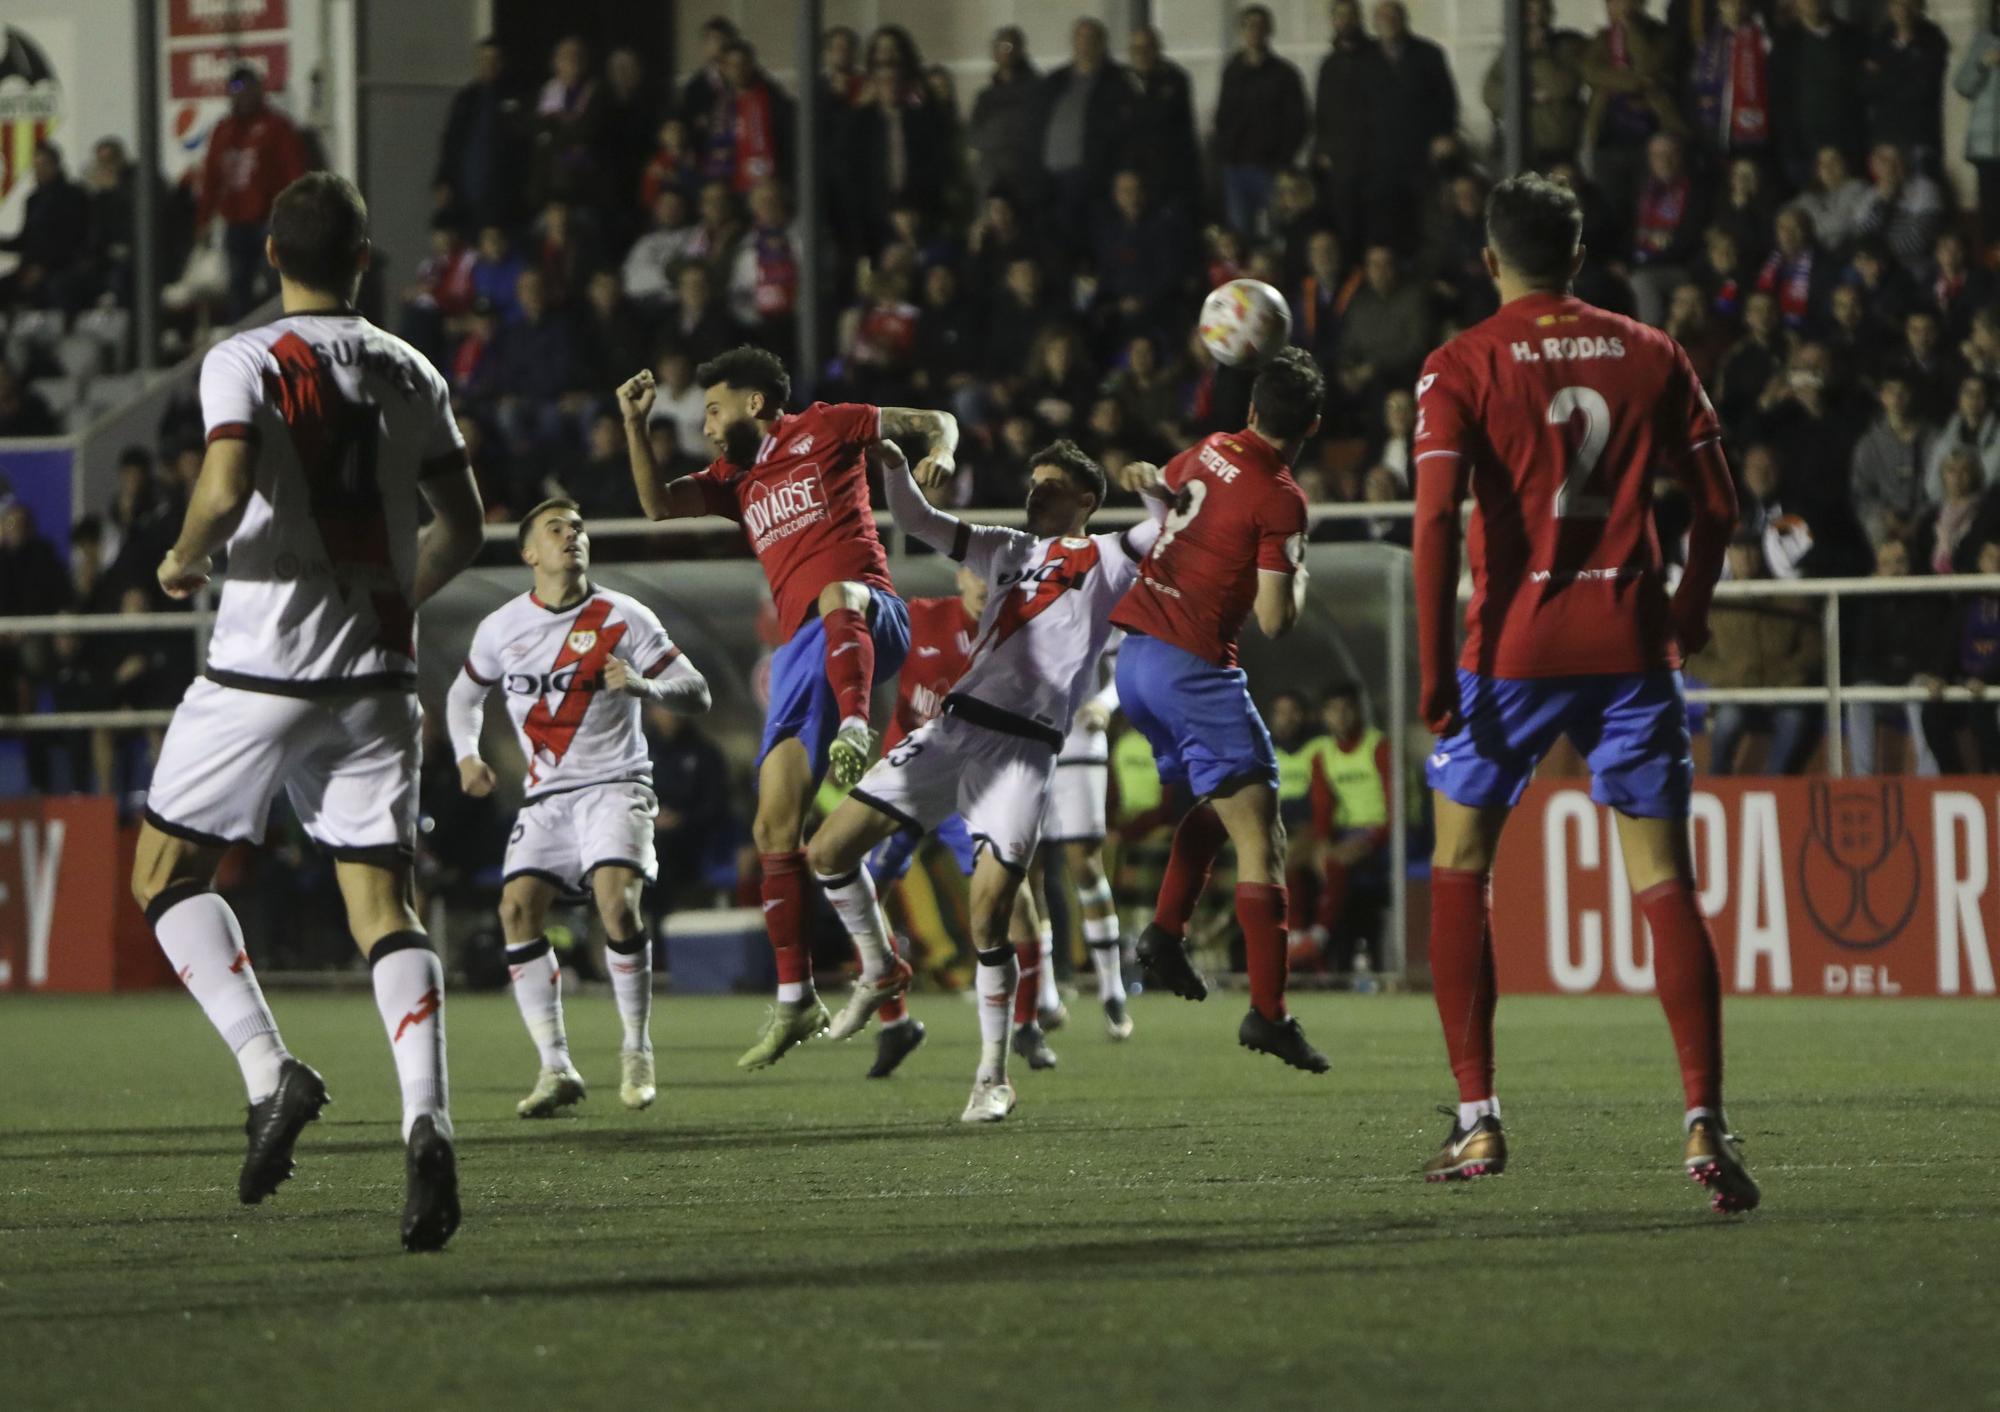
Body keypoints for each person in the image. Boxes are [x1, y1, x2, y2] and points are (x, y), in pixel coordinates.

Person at [129, 173, 484, 1251]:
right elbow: (462, 527)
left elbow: (228, 483)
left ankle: (271, 1069)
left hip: (260, 668)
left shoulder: (242, 357)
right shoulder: (412, 367)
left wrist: (184, 557)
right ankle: (427, 1121)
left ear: (271, 253)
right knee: (385, 906)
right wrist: (386, 603)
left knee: (162, 874)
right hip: (376, 675)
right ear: (364, 259)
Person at [1410, 173, 1755, 1211]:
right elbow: (1717, 505)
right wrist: (1685, 613)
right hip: (1628, 649)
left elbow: (1430, 525)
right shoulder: (1650, 351)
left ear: (1489, 258)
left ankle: (1476, 1119)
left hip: (1508, 652)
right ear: (1576, 253)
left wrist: (1433, 668)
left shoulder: (1458, 361)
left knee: (1459, 866)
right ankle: (1701, 1116)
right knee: (1663, 881)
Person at [804, 438, 1161, 1123]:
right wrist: (895, 469)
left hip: (1025, 752)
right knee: (826, 852)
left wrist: (1151, 485)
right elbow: (918, 522)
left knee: (991, 914)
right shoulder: (1003, 548)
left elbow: (1174, 525)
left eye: (1048, 484)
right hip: (953, 728)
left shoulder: (1107, 557)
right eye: (1031, 480)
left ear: (1086, 500)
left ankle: (992, 1076)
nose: (1032, 491)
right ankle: (882, 968)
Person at [616, 347, 954, 1067]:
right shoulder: (735, 479)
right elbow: (655, 505)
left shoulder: (827, 427)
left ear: (756, 404)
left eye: (714, 409)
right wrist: (633, 424)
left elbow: (935, 421)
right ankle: (805, 995)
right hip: (806, 651)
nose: (706, 426)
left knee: (840, 596)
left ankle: (858, 723)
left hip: (871, 614)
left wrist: (942, 454)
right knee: (776, 824)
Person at [445, 499, 710, 1118]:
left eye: (580, 527)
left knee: (615, 902)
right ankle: (556, 1065)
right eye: (556, 529)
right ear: (529, 553)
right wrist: (465, 756)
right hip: (546, 796)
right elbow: (463, 696)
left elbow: (697, 690)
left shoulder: (625, 615)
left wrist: (647, 686)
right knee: (516, 909)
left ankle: (636, 1048)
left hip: (617, 783)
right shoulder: (502, 626)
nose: (573, 536)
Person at [1109, 347, 1329, 1074]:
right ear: (1313, 425)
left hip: (1136, 656)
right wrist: (1298, 569)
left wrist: (1142, 478)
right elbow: (1275, 620)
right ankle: (1270, 1014)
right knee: (1263, 837)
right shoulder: (1283, 497)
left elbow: (1167, 494)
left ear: (1251, 409)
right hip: (1192, 664)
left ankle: (1165, 936)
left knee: (1223, 808)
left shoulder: (1208, 448)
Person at [855, 566, 988, 1079]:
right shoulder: (919, 617)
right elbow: (863, 646)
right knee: (863, 892)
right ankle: (895, 1021)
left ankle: (1030, 1013)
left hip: (964, 787)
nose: (986, 581)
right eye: (979, 570)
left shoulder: (1010, 635)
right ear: (960, 576)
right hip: (906, 778)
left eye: (998, 573)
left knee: (1000, 891)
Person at [1038, 628, 1132, 1042]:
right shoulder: (1010, 585)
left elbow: (1124, 669)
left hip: (1078, 738)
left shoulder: (1097, 581)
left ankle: (1112, 990)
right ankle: (1044, 994)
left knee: (1084, 863)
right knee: (1024, 868)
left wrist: (1103, 703)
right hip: (1021, 742)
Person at [198, 67, 311, 319]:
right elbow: (211, 178)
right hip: (236, 221)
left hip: (269, 220)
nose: (243, 96)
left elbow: (294, 173)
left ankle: (278, 336)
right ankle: (242, 343)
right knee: (238, 287)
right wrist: (204, 219)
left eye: (249, 88)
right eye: (236, 90)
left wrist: (293, 214)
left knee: (275, 284)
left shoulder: (277, 127)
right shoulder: (224, 130)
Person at [1212, 5, 1308, 239]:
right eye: (1249, 26)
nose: (1254, 32)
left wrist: (1283, 158)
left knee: (1279, 233)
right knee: (1240, 237)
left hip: (1272, 168)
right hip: (1236, 167)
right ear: (1241, 31)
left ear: (1269, 30)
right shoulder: (1232, 72)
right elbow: (1223, 115)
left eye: (1259, 26)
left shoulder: (1285, 74)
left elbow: (1298, 120)